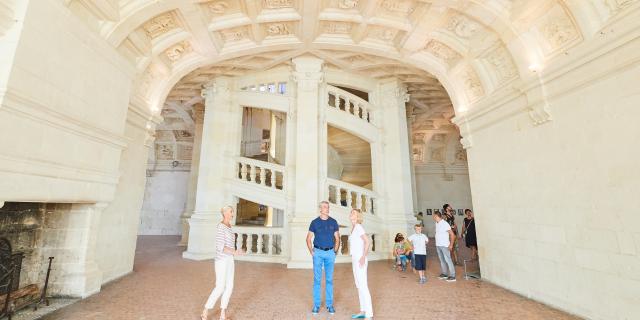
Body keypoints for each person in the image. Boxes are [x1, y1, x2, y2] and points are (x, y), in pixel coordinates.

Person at [201, 206, 244, 320]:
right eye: (230, 212)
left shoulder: (230, 227)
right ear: (224, 213)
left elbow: (230, 245)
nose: (232, 214)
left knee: (230, 286)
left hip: (230, 260)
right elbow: (221, 247)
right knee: (220, 287)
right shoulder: (221, 227)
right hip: (221, 260)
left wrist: (236, 251)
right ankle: (205, 310)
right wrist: (234, 251)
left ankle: (222, 313)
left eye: (232, 212)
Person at [306, 201, 340, 315]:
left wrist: (334, 251)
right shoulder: (314, 222)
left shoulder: (333, 222)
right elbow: (308, 238)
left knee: (329, 280)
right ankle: (316, 305)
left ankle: (329, 305)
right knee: (317, 280)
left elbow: (337, 238)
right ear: (320, 209)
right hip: (318, 253)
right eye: (325, 207)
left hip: (330, 253)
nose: (327, 209)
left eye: (328, 207)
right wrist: (312, 252)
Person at [348, 209, 373, 319]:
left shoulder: (358, 227)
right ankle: (363, 311)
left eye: (353, 213)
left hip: (360, 259)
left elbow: (367, 241)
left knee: (363, 286)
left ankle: (369, 314)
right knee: (359, 286)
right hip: (355, 259)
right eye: (351, 212)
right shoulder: (353, 228)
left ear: (358, 216)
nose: (351, 214)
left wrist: (363, 256)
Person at [433, 211, 456, 282]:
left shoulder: (445, 224)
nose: (433, 217)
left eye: (433, 216)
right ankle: (445, 274)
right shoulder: (436, 223)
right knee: (442, 260)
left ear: (437, 216)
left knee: (448, 260)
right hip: (438, 245)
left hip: (445, 245)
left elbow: (452, 235)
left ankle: (452, 276)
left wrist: (451, 245)